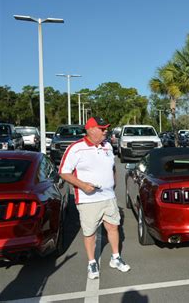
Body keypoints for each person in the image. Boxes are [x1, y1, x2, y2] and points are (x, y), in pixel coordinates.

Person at [59, 116, 130, 280]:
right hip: (88, 199)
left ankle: (115, 257)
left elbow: (112, 166)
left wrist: (113, 183)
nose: (106, 131)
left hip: (108, 197)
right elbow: (63, 171)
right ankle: (91, 262)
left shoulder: (108, 146)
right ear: (90, 130)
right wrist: (83, 185)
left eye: (106, 128)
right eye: (102, 128)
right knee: (90, 233)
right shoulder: (76, 148)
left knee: (113, 227)